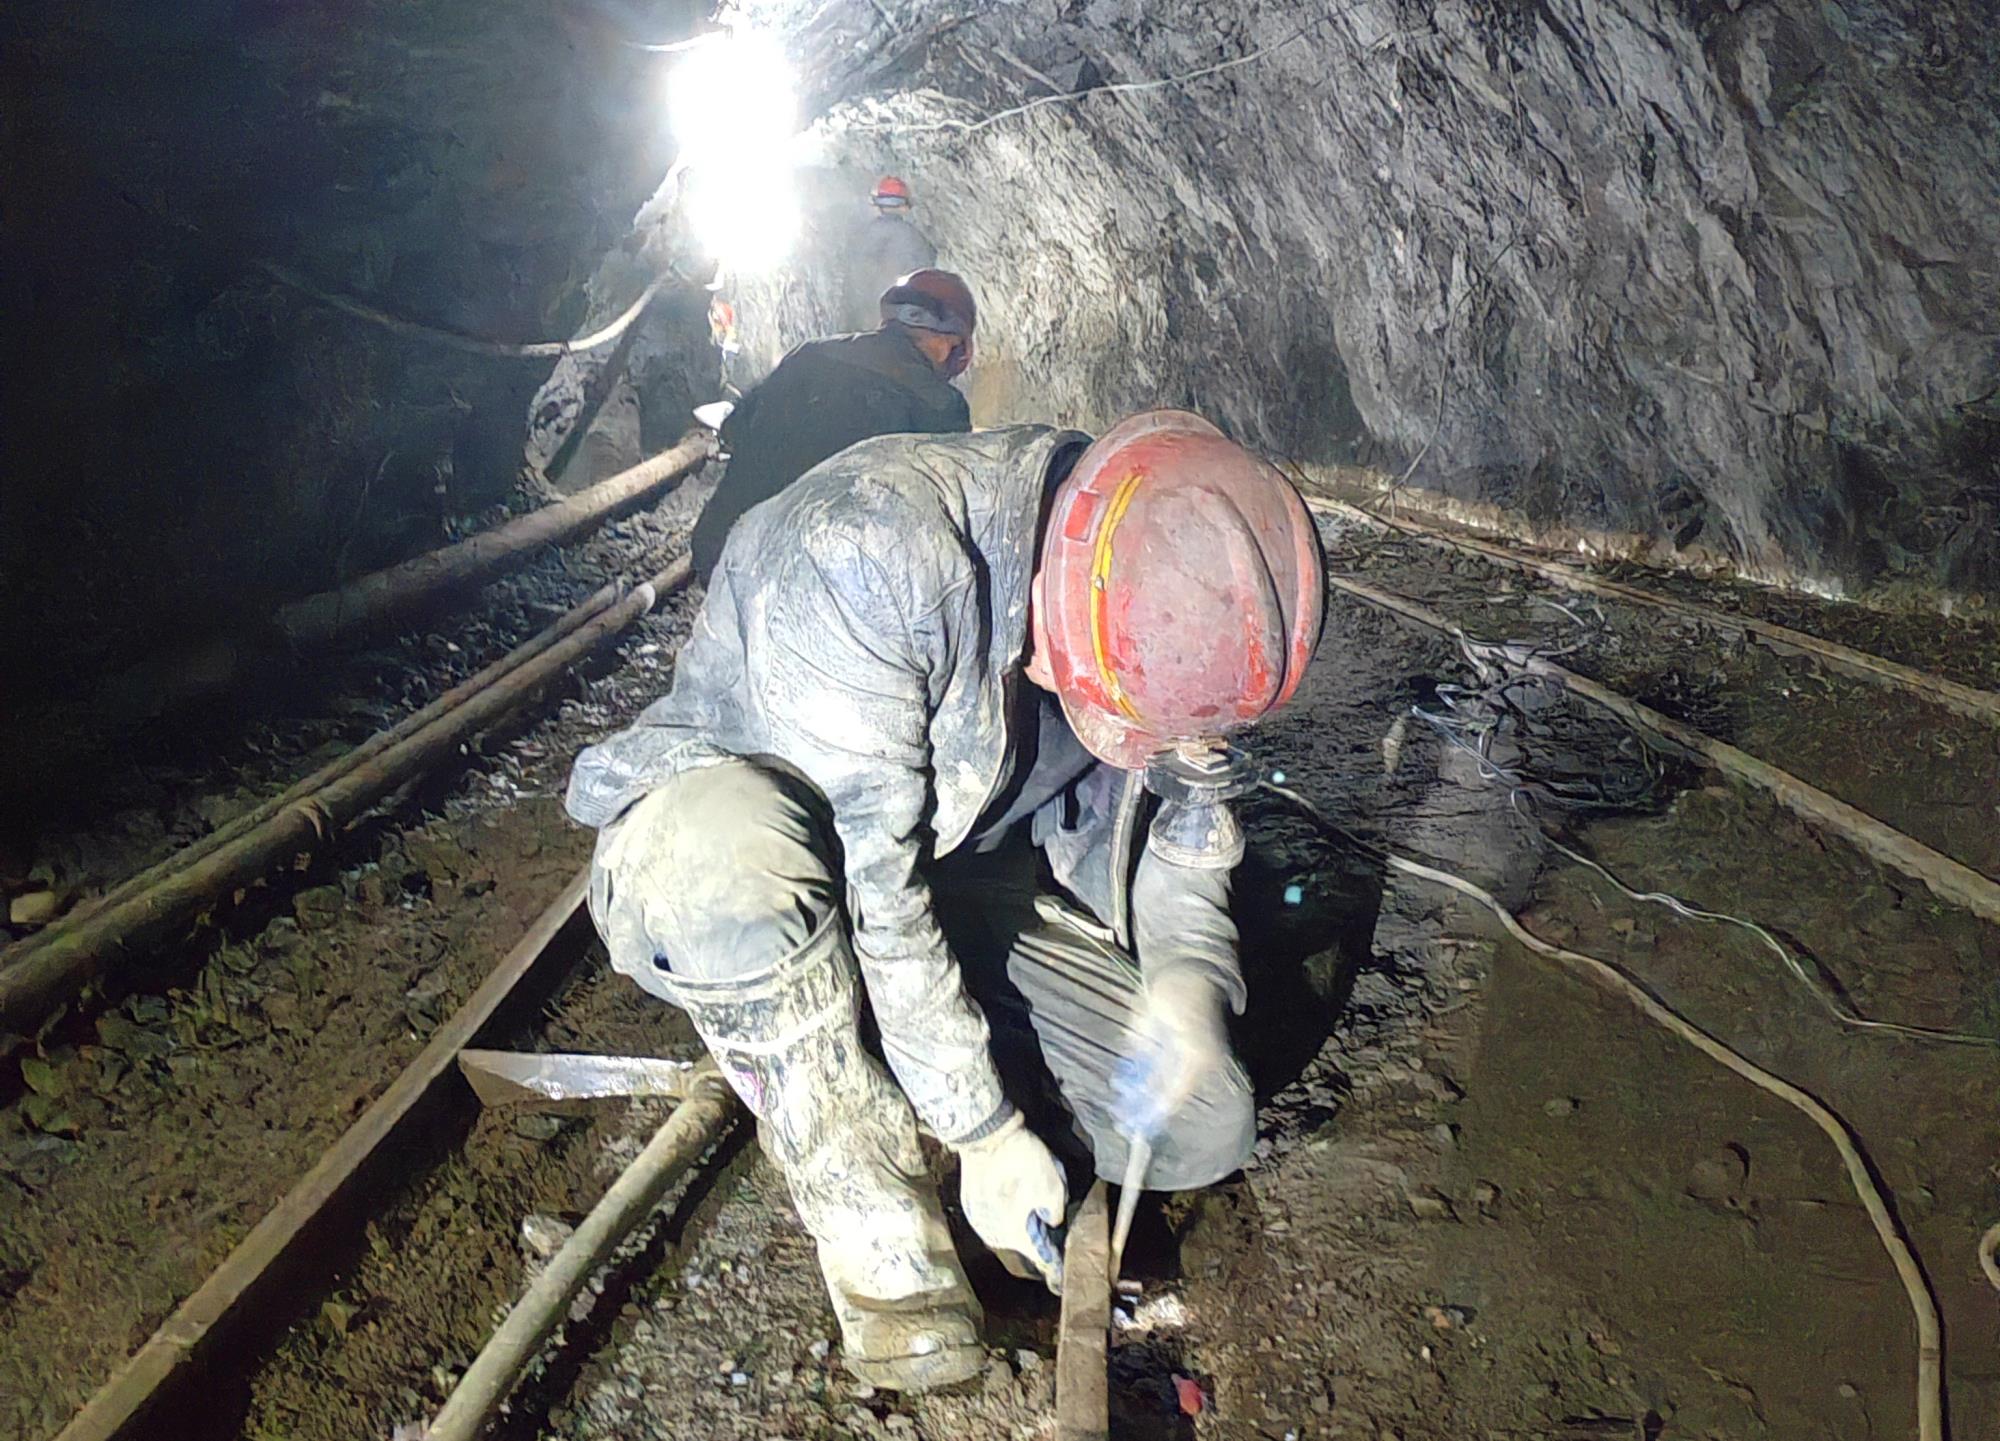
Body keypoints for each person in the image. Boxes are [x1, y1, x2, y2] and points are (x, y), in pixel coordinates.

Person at [568, 411, 1324, 1391]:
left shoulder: (1171, 579)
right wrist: (982, 1131)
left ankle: (922, 1076)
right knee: (731, 856)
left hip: (954, 874)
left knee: (1203, 1121)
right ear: (1058, 606)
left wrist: (1185, 978)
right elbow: (876, 893)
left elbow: (1187, 830)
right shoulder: (866, 551)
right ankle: (880, 1235)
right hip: (758, 863)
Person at [687, 268, 977, 582]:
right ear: (952, 345)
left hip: (723, 555)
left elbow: (733, 430)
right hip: (824, 586)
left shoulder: (809, 354)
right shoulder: (942, 407)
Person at [844, 175, 938, 332]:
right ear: (904, 206)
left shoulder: (862, 236)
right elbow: (927, 270)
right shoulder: (914, 237)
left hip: (866, 316)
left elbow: (853, 274)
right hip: (901, 319)